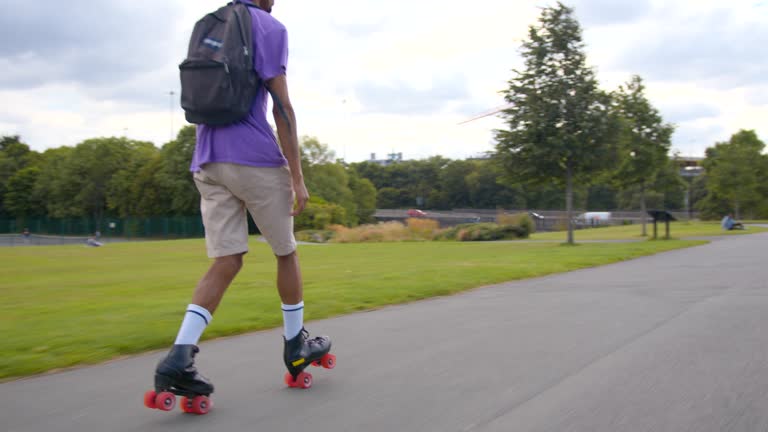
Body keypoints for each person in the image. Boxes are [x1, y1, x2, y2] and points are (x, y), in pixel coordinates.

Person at [153, 0, 331, 398]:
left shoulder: (208, 24)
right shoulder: (268, 26)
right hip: (254, 160)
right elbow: (282, 107)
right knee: (285, 252)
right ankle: (295, 345)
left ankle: (178, 358)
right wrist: (297, 178)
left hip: (207, 160)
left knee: (227, 259)